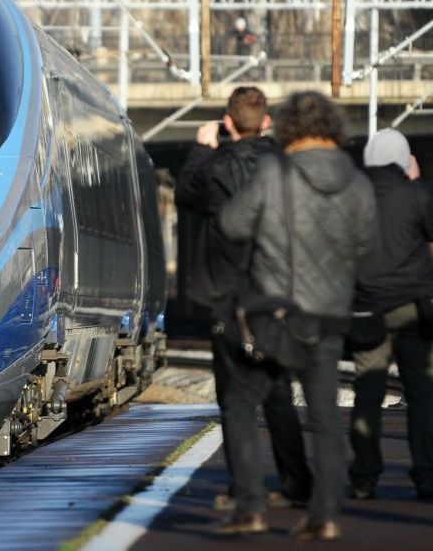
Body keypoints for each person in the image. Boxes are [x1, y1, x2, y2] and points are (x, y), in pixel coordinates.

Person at [219, 91, 379, 541]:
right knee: (325, 416)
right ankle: (324, 515)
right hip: (328, 317)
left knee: (240, 404)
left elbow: (231, 224)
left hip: (276, 316)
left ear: (286, 126)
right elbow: (369, 250)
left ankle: (250, 507)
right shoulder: (357, 181)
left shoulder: (274, 172)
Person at [174, 87, 313, 533]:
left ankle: (244, 493)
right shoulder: (287, 166)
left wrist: (202, 148)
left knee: (234, 399)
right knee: (278, 393)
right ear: (267, 122)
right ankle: (296, 482)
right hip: (278, 297)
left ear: (228, 122)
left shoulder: (215, 168)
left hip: (230, 300)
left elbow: (185, 195)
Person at [348, 128, 433, 502]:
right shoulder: (417, 193)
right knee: (421, 394)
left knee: (367, 393)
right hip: (414, 308)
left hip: (367, 308)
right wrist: (418, 181)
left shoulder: (353, 196)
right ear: (403, 160)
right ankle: (427, 477)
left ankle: (364, 478)